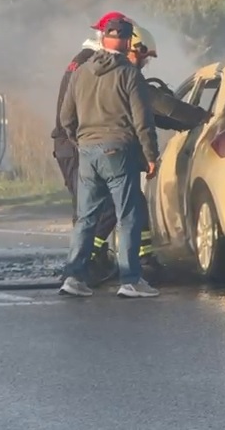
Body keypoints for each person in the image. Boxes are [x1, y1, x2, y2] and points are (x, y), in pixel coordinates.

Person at [58, 17, 160, 298]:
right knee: (128, 215)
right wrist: (151, 156)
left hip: (87, 152)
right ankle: (131, 280)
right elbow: (143, 120)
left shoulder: (81, 72)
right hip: (119, 150)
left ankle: (74, 277)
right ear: (128, 42)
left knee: (86, 218)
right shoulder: (129, 74)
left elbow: (66, 116)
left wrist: (81, 140)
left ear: (103, 39)